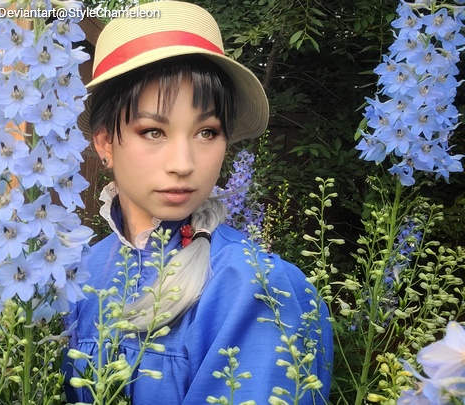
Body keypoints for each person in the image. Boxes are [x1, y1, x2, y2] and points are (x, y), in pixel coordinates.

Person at [63, 1, 333, 404]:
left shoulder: (254, 287)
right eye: (153, 131)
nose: (184, 164)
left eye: (207, 132)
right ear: (105, 143)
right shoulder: (82, 272)